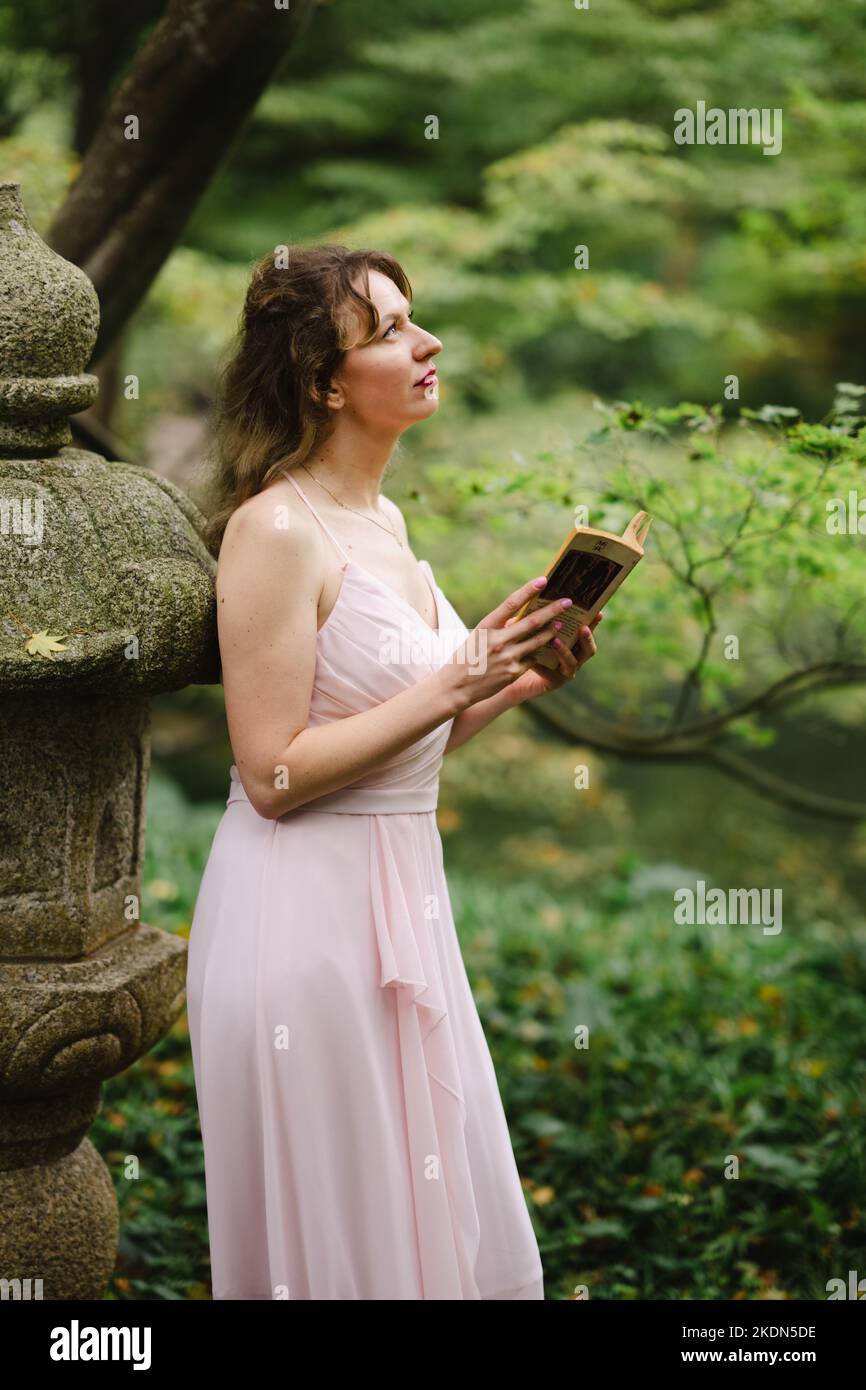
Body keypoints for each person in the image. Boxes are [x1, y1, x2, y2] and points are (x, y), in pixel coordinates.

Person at [186, 244, 601, 1300]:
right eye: (391, 331)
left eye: (417, 321)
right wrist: (455, 676)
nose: (429, 345)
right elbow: (274, 770)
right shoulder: (273, 529)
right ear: (325, 381)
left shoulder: (387, 524)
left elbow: (400, 747)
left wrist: (507, 685)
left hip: (401, 905)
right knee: (345, 1238)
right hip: (304, 927)